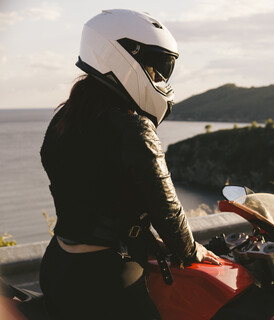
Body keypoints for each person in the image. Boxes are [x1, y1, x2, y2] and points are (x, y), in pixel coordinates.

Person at [39, 9, 219, 320]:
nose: (159, 77)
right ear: (123, 56)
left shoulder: (64, 119)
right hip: (107, 278)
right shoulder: (134, 127)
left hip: (57, 266)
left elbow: (96, 196)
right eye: (155, 65)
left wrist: (150, 241)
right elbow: (167, 209)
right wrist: (190, 251)